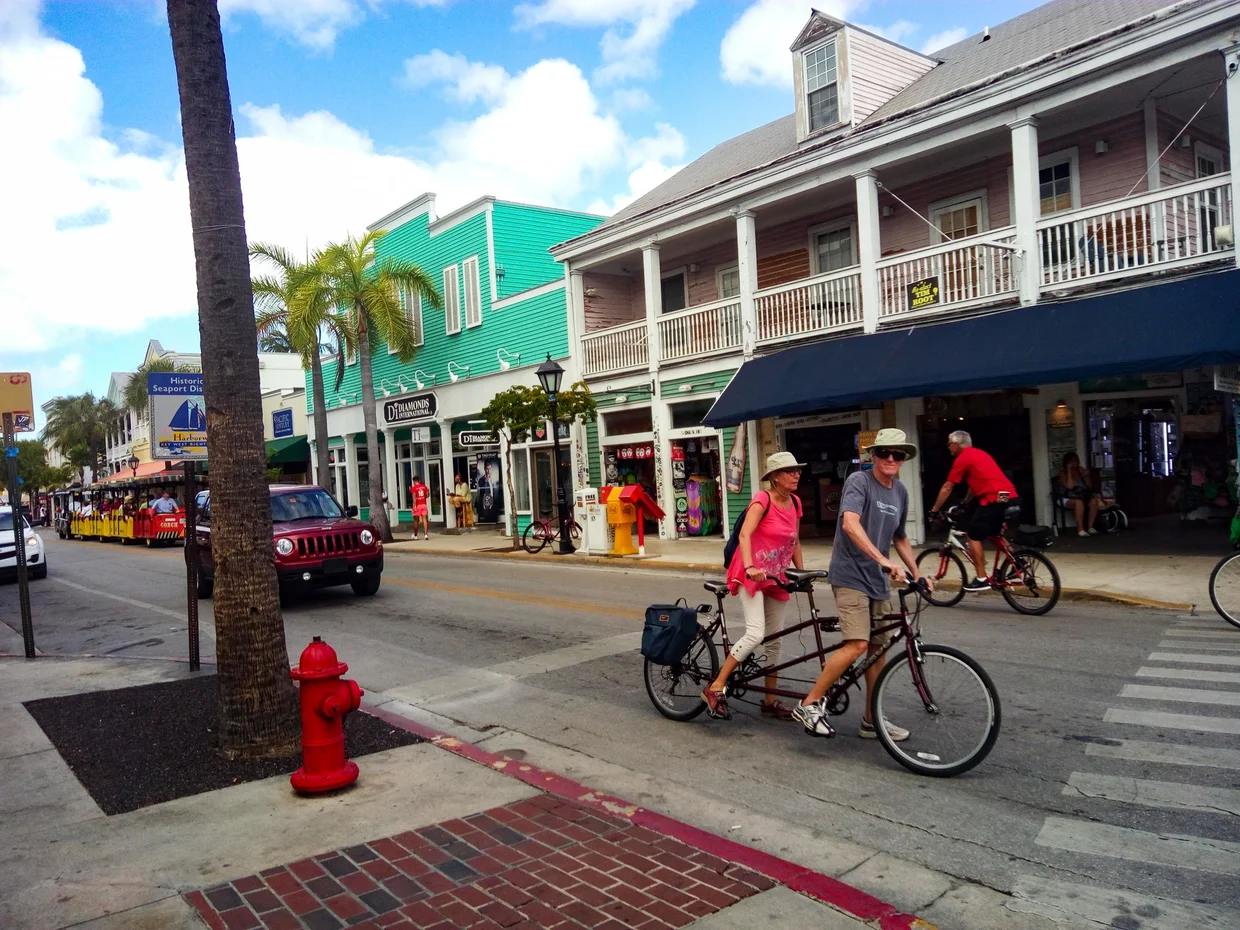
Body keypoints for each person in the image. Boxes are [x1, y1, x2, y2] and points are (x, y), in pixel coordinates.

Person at [793, 429, 928, 740]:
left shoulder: (901, 492)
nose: (891, 459)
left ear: (904, 458)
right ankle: (810, 703)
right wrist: (882, 560)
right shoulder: (859, 481)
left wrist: (916, 573)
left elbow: (900, 536)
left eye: (898, 454)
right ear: (874, 456)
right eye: (884, 453)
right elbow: (850, 523)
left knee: (878, 650)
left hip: (878, 580)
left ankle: (872, 720)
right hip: (851, 574)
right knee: (858, 644)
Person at [701, 452, 805, 720]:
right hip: (751, 572)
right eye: (789, 471)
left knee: (774, 640)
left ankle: (770, 700)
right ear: (774, 477)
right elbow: (746, 534)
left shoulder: (795, 502)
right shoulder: (762, 499)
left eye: (797, 471)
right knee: (756, 633)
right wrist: (749, 567)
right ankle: (715, 686)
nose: (795, 475)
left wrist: (802, 573)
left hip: (776, 576)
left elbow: (795, 540)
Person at [929, 430, 1019, 592]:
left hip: (994, 498)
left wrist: (934, 510)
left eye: (949, 444)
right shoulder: (979, 454)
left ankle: (981, 578)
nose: (948, 447)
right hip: (1007, 496)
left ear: (956, 445)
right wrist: (964, 503)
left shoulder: (962, 458)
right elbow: (974, 484)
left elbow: (948, 486)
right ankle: (1017, 560)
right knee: (992, 531)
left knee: (973, 535)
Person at [1058, 452, 1099, 537]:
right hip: (1067, 496)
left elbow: (1089, 485)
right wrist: (1069, 471)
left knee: (1093, 501)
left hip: (1080, 495)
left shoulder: (1080, 470)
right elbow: (1069, 486)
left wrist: (1086, 477)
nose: (1075, 463)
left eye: (1076, 460)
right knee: (1078, 503)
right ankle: (1080, 529)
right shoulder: (1063, 473)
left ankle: (1090, 527)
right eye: (1072, 461)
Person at [410, 474, 430, 540]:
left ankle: (415, 535)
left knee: (416, 520)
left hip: (417, 505)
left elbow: (414, 497)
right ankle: (426, 534)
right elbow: (427, 496)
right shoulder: (424, 487)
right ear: (419, 480)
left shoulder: (414, 488)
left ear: (414, 481)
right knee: (424, 519)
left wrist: (414, 505)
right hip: (424, 504)